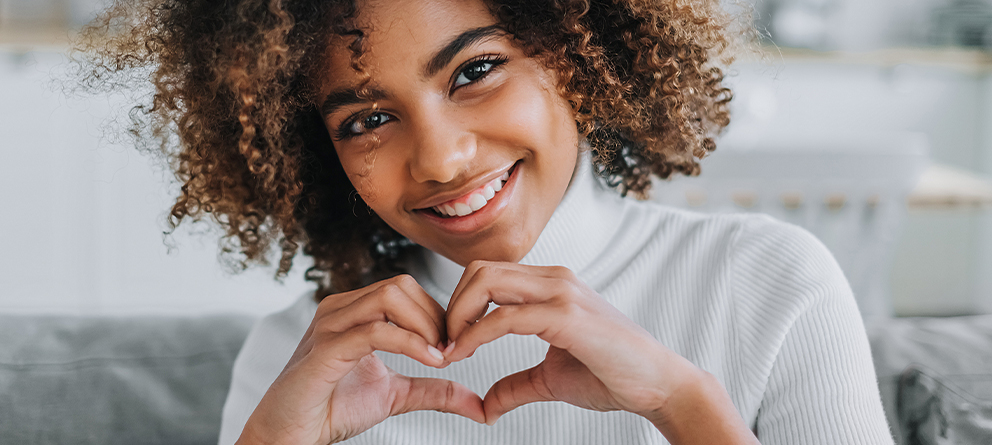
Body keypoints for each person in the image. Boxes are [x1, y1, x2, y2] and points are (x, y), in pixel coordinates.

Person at [77, 0, 894, 444]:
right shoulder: (297, 366)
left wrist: (681, 402)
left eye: (475, 70)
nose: (439, 159)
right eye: (365, 120)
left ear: (578, 48)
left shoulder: (772, 283)